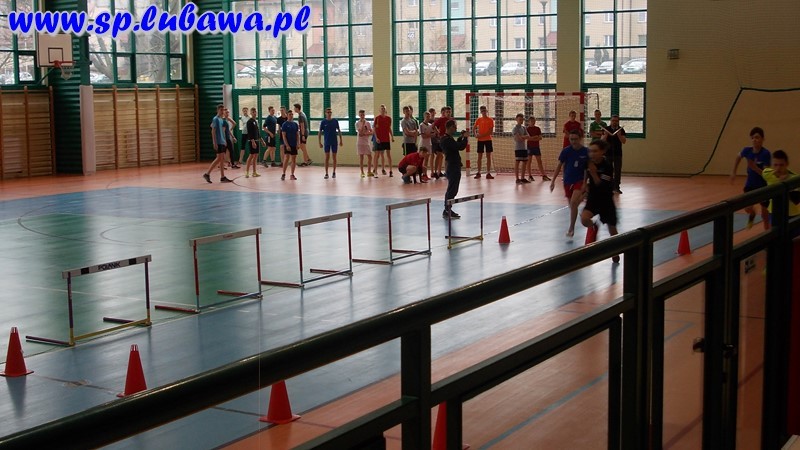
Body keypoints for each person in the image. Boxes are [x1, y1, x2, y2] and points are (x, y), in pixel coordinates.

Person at [580, 139, 619, 262]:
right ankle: (593, 226)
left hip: (606, 200)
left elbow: (600, 185)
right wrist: (584, 185)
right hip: (593, 199)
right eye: (590, 151)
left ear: (602, 151)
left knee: (612, 229)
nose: (592, 154)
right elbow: (586, 173)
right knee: (584, 219)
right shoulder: (588, 162)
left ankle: (616, 252)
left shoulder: (607, 166)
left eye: (595, 151)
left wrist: (594, 173)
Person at [550, 129, 589, 238]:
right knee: (572, 206)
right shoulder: (566, 151)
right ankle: (583, 197)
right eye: (571, 139)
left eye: (575, 139)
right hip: (567, 181)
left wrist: (585, 183)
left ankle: (571, 228)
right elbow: (559, 166)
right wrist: (553, 181)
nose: (573, 141)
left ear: (580, 139)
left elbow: (587, 169)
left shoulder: (585, 152)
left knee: (573, 203)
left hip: (579, 181)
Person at [730, 126, 771, 229]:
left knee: (765, 214)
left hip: (763, 186)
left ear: (762, 139)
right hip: (750, 184)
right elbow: (738, 157)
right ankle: (752, 214)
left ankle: (767, 233)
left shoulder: (766, 153)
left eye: (757, 137)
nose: (754, 140)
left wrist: (755, 168)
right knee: (747, 208)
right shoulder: (747, 150)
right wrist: (734, 172)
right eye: (752, 138)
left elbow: (766, 174)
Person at [761, 150, 800, 225]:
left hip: (791, 213)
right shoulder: (767, 174)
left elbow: (796, 200)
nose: (778, 168)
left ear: (787, 164)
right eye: (775, 165)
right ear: (771, 165)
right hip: (774, 212)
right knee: (775, 232)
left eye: (781, 165)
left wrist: (785, 184)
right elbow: (764, 172)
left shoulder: (795, 179)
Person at [441, 119, 469, 219]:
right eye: (454, 127)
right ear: (450, 127)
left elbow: (456, 145)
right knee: (452, 189)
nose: (456, 129)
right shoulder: (446, 140)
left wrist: (461, 137)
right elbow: (459, 147)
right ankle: (447, 209)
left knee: (452, 189)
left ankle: (447, 209)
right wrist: (465, 139)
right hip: (452, 166)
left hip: (453, 165)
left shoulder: (448, 138)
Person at [202, 104, 233, 183]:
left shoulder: (221, 119)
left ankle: (222, 177)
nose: (222, 111)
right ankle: (207, 174)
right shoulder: (215, 119)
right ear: (218, 110)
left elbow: (222, 131)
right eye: (221, 110)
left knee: (221, 159)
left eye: (223, 110)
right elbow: (213, 131)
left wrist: (224, 140)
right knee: (219, 158)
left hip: (222, 141)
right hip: (218, 142)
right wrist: (214, 142)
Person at [602, 115, 627, 193]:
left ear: (618, 121)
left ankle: (616, 187)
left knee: (617, 171)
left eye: (616, 121)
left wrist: (619, 135)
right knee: (607, 170)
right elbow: (601, 141)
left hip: (618, 153)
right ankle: (608, 186)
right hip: (608, 153)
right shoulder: (606, 129)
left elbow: (624, 141)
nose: (614, 122)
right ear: (610, 121)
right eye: (613, 121)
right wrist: (606, 135)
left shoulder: (621, 130)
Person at [319, 107, 343, 179]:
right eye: (328, 112)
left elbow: (339, 130)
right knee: (327, 157)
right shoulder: (323, 122)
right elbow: (320, 132)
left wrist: (341, 140)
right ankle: (326, 173)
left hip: (334, 141)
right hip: (327, 141)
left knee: (334, 157)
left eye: (330, 112)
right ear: (325, 113)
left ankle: (334, 172)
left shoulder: (335, 121)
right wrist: (319, 142)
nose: (329, 114)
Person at [473, 105, 495, 179]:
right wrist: (475, 134)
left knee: (488, 156)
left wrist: (481, 135)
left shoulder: (490, 120)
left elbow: (490, 132)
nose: (483, 112)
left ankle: (488, 173)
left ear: (486, 111)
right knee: (479, 156)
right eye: (482, 111)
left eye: (484, 110)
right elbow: (474, 128)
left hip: (488, 140)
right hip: (480, 141)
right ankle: (478, 172)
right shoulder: (478, 120)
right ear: (480, 112)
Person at [526, 116, 550, 181]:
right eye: (531, 121)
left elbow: (540, 138)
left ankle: (544, 175)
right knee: (529, 161)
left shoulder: (537, 129)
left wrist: (533, 138)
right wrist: (535, 137)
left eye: (534, 121)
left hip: (536, 147)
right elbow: (528, 138)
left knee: (539, 161)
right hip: (529, 147)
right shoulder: (527, 129)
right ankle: (530, 176)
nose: (533, 122)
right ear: (528, 122)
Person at [373, 104, 394, 176]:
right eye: (381, 109)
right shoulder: (377, 118)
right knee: (377, 155)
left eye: (384, 108)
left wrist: (392, 136)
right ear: (379, 110)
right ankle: (375, 171)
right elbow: (374, 129)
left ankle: (390, 171)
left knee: (388, 155)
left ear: (385, 110)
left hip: (386, 139)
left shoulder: (389, 119)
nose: (383, 110)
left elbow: (389, 128)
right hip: (379, 140)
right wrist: (376, 138)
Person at [280, 110, 300, 181]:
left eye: (292, 114)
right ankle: (283, 173)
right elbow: (284, 136)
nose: (291, 116)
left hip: (294, 144)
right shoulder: (285, 124)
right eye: (289, 114)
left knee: (293, 159)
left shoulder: (295, 124)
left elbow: (297, 135)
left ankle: (292, 174)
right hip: (288, 144)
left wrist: (298, 143)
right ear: (287, 115)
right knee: (286, 158)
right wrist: (287, 145)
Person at [431, 106, 450, 179]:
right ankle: (435, 172)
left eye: (449, 112)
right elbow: (433, 125)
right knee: (439, 155)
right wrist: (437, 132)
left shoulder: (451, 120)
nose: (448, 113)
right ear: (444, 113)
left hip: (448, 140)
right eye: (447, 112)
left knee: (447, 156)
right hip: (441, 140)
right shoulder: (441, 119)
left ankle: (446, 172)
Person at [512, 113, 530, 184]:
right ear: (516, 120)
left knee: (525, 162)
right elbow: (518, 138)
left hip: (524, 148)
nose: (521, 121)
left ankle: (522, 178)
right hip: (518, 148)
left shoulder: (524, 128)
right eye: (519, 119)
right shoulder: (515, 128)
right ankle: (517, 178)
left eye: (522, 119)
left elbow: (528, 136)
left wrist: (522, 136)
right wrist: (523, 137)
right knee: (517, 162)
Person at [355, 109, 374, 178]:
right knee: (361, 157)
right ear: (359, 115)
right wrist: (363, 124)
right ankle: (362, 172)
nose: (362, 116)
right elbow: (360, 133)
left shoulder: (368, 123)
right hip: (360, 142)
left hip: (366, 142)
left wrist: (366, 133)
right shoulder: (357, 123)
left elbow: (371, 132)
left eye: (363, 115)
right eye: (361, 115)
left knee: (370, 156)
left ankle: (369, 171)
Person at [243, 107, 261, 178]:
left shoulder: (255, 121)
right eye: (253, 112)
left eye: (255, 112)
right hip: (252, 141)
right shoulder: (249, 122)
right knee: (251, 156)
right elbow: (250, 133)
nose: (254, 113)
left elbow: (257, 132)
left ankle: (254, 172)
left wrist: (261, 140)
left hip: (257, 141)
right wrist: (253, 142)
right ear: (250, 113)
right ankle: (247, 172)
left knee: (255, 156)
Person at [419, 110, 434, 180]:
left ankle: (425, 174)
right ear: (424, 117)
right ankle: (422, 174)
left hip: (429, 143)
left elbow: (433, 134)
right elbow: (423, 136)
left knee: (427, 159)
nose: (428, 117)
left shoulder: (430, 125)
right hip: (423, 144)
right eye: (427, 116)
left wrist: (429, 134)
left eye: (429, 116)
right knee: (422, 159)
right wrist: (430, 135)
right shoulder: (421, 125)